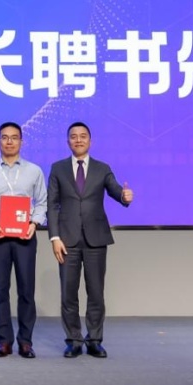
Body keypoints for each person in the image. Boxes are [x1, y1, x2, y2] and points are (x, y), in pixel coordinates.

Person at [47, 121, 134, 359]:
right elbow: (52, 205)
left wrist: (125, 196)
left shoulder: (102, 168)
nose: (78, 140)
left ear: (90, 141)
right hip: (67, 239)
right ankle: (74, 340)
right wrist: (54, 237)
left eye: (83, 136)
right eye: (73, 136)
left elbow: (116, 190)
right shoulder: (58, 168)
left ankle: (94, 340)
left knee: (96, 292)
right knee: (68, 293)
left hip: (96, 238)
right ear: (68, 141)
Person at [0, 122, 48, 359]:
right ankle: (4, 341)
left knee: (26, 289)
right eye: (4, 138)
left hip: (26, 236)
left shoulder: (34, 171)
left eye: (14, 137)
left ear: (21, 142)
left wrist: (34, 223)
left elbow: (42, 202)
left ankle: (25, 341)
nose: (9, 142)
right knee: (0, 289)